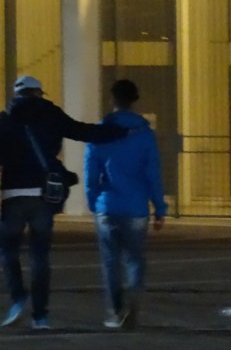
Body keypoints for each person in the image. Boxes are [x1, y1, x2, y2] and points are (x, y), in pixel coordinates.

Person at [0, 76, 128, 329]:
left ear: (17, 95)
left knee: (8, 250)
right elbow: (84, 132)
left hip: (13, 195)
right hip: (43, 195)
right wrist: (121, 131)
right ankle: (41, 316)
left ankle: (18, 297)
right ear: (38, 93)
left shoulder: (4, 120)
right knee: (40, 256)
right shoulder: (51, 114)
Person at [84, 80, 167, 329]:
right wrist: (160, 208)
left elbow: (90, 173)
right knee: (135, 259)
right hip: (135, 208)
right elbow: (153, 173)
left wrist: (93, 202)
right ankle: (133, 302)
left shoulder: (101, 131)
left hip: (107, 206)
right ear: (134, 100)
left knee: (110, 261)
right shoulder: (144, 133)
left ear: (113, 99)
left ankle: (115, 310)